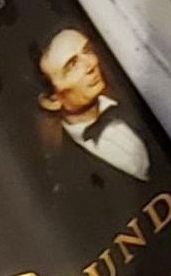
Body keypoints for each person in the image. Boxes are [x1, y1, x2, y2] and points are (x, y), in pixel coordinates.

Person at [32, 27, 153, 184]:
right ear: (52, 100)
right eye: (72, 65)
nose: (91, 64)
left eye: (87, 50)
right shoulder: (64, 171)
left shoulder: (139, 99)